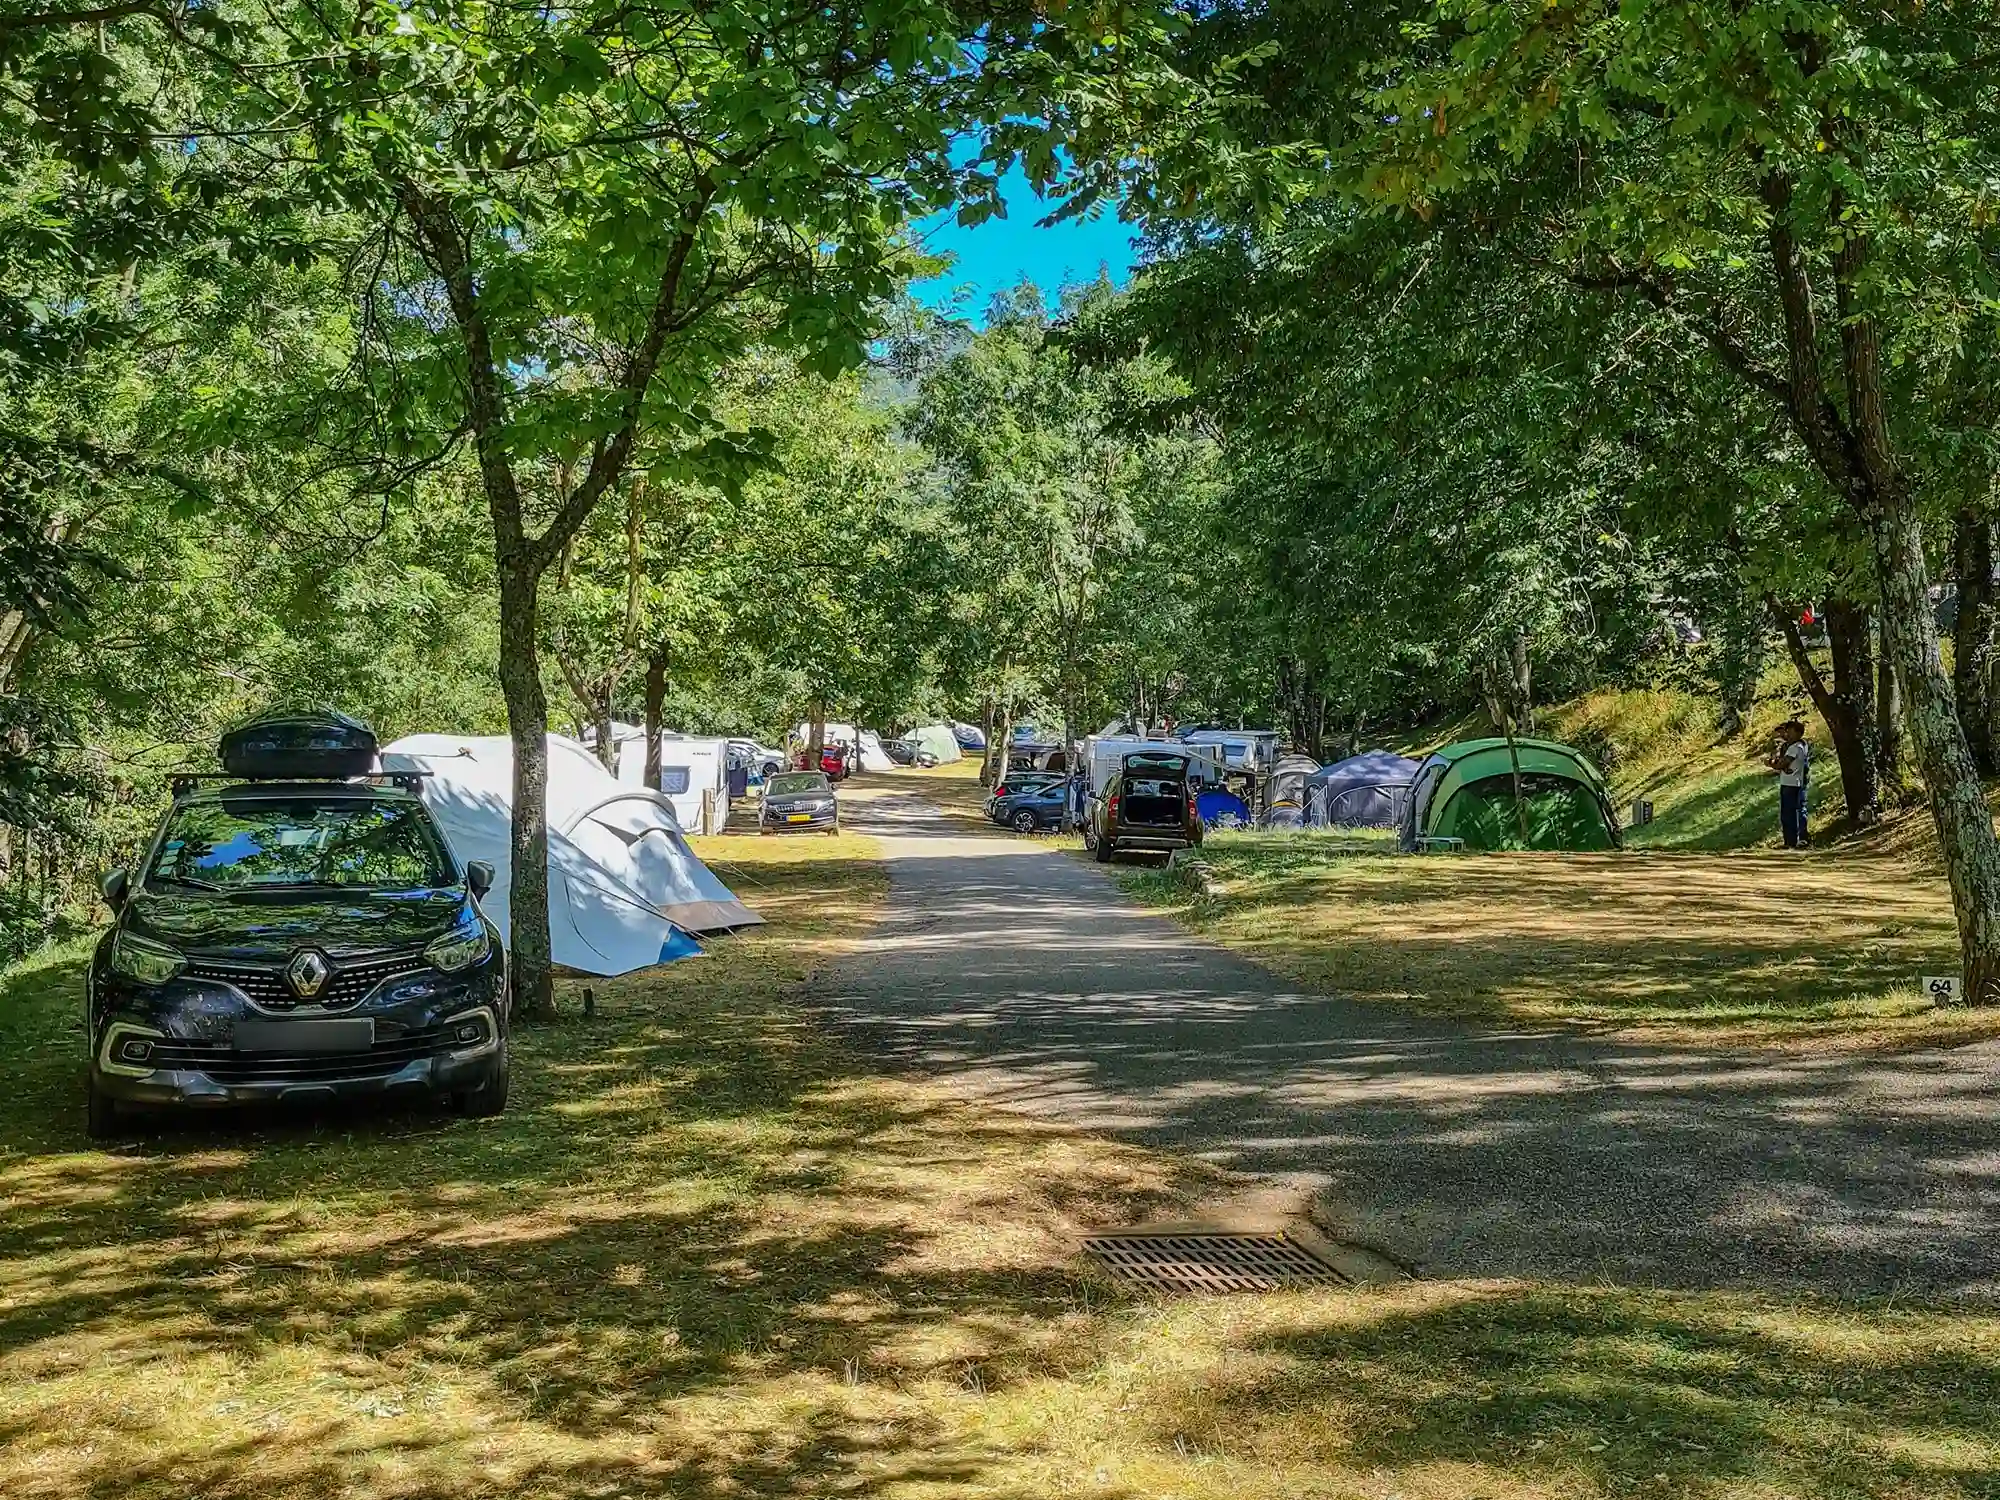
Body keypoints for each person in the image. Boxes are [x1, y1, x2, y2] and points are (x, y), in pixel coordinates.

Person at [1767, 719, 1811, 849]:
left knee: (1792, 812)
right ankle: (1791, 841)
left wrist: (1772, 764)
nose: (1787, 734)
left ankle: (1797, 839)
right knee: (1789, 813)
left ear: (1798, 733)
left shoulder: (1796, 747)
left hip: (1794, 784)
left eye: (1789, 732)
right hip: (1789, 782)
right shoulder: (1793, 746)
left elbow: (1782, 764)